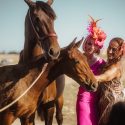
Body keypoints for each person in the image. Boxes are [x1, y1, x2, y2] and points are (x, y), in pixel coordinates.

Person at [76, 16, 107, 125]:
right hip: (83, 100)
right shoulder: (79, 58)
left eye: (90, 44)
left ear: (96, 48)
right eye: (86, 42)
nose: (86, 45)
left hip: (97, 103)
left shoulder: (102, 63)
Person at [96, 37, 125, 125]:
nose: (110, 51)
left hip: (112, 105)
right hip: (104, 102)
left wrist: (84, 74)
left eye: (114, 49)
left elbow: (103, 77)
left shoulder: (115, 67)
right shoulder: (108, 63)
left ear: (120, 51)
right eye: (109, 47)